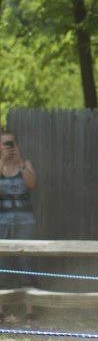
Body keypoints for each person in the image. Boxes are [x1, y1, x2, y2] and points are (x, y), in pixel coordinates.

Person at [0, 130, 37, 322]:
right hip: (2, 222)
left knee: (26, 263)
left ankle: (30, 309)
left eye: (11, 143)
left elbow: (32, 184)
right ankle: (1, 308)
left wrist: (20, 162)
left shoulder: (26, 164)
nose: (9, 147)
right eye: (5, 143)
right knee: (2, 265)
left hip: (25, 222)